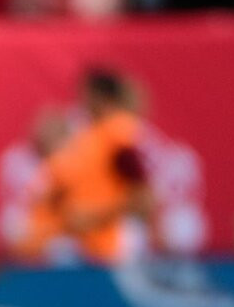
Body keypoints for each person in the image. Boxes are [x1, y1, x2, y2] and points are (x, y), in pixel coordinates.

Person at [26, 67, 150, 265]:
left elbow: (144, 197)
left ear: (100, 96)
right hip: (87, 248)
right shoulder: (91, 135)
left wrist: (94, 217)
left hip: (114, 247)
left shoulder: (117, 132)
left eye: (85, 94)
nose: (80, 101)